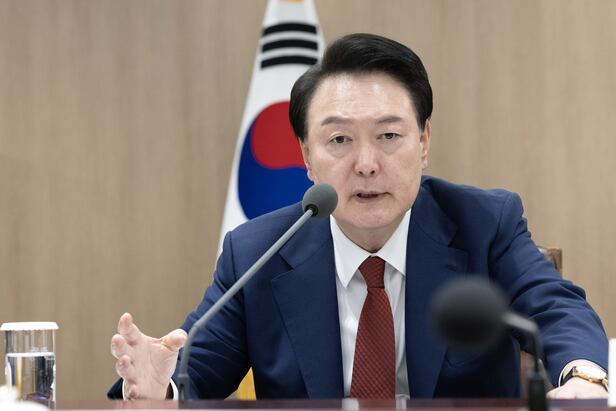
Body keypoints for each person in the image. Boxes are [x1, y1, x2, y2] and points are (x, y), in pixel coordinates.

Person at [108, 33, 608, 400]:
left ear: (424, 142)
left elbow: (557, 311)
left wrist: (585, 376)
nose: (366, 163)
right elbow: (196, 371)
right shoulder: (258, 252)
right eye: (340, 139)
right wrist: (159, 389)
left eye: (389, 136)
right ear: (307, 156)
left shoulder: (484, 224)